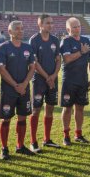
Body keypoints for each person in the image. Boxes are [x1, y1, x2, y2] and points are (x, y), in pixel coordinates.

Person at [0, 21, 36, 159]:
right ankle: (4, 148)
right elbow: (2, 69)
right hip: (9, 90)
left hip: (24, 90)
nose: (20, 31)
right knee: (6, 119)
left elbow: (32, 67)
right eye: (17, 29)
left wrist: (24, 84)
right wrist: (15, 85)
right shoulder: (3, 48)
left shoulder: (28, 48)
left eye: (22, 28)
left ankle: (20, 146)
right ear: (10, 31)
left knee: (23, 117)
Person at [28, 14, 62, 153]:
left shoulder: (55, 40)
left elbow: (58, 60)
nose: (50, 25)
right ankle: (33, 141)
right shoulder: (34, 40)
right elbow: (34, 63)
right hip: (39, 80)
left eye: (52, 23)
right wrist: (47, 77)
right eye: (47, 23)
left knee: (50, 108)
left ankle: (47, 139)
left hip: (52, 79)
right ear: (40, 24)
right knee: (36, 109)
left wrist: (53, 76)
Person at [60, 17, 90, 146]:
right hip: (69, 80)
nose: (77, 28)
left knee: (80, 108)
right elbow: (67, 59)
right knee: (67, 108)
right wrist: (81, 52)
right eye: (74, 27)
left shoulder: (86, 40)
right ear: (68, 29)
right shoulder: (66, 41)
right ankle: (66, 135)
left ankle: (78, 134)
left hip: (83, 80)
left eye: (78, 26)